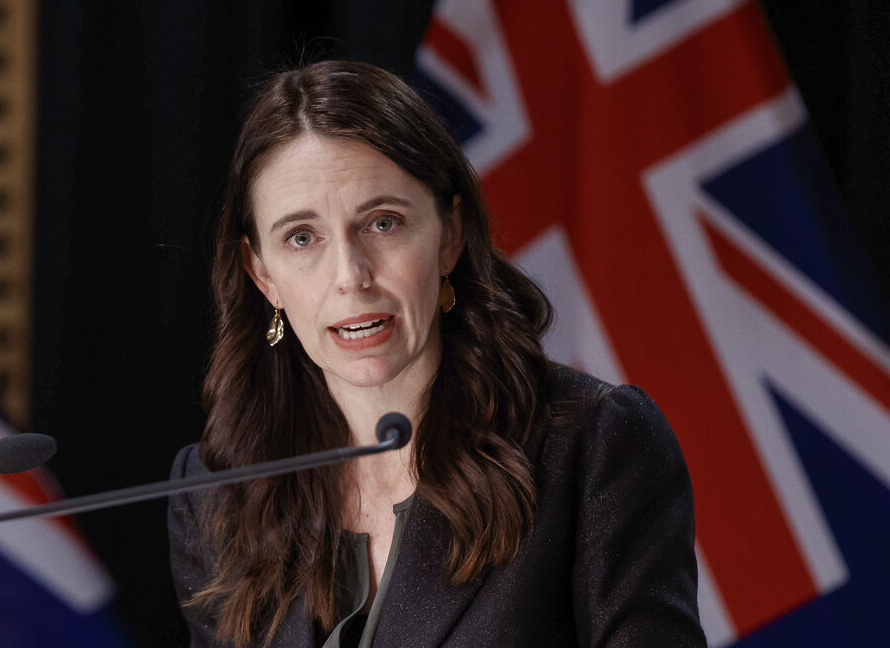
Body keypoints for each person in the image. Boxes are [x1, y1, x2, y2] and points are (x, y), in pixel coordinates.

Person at [168, 60, 705, 647]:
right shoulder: (217, 494)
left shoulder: (592, 446)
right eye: (302, 237)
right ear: (262, 274)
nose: (350, 276)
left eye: (383, 223)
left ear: (450, 235)